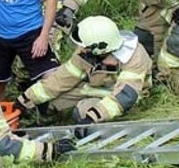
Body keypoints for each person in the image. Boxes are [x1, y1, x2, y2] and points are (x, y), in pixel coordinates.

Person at [15, 16, 152, 135]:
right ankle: (44, 124)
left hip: (124, 99)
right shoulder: (88, 51)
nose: (82, 49)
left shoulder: (134, 57)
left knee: (82, 112)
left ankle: (90, 131)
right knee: (49, 102)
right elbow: (61, 79)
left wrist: (93, 116)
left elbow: (125, 97)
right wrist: (26, 99)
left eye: (85, 46)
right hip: (96, 89)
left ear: (100, 48)